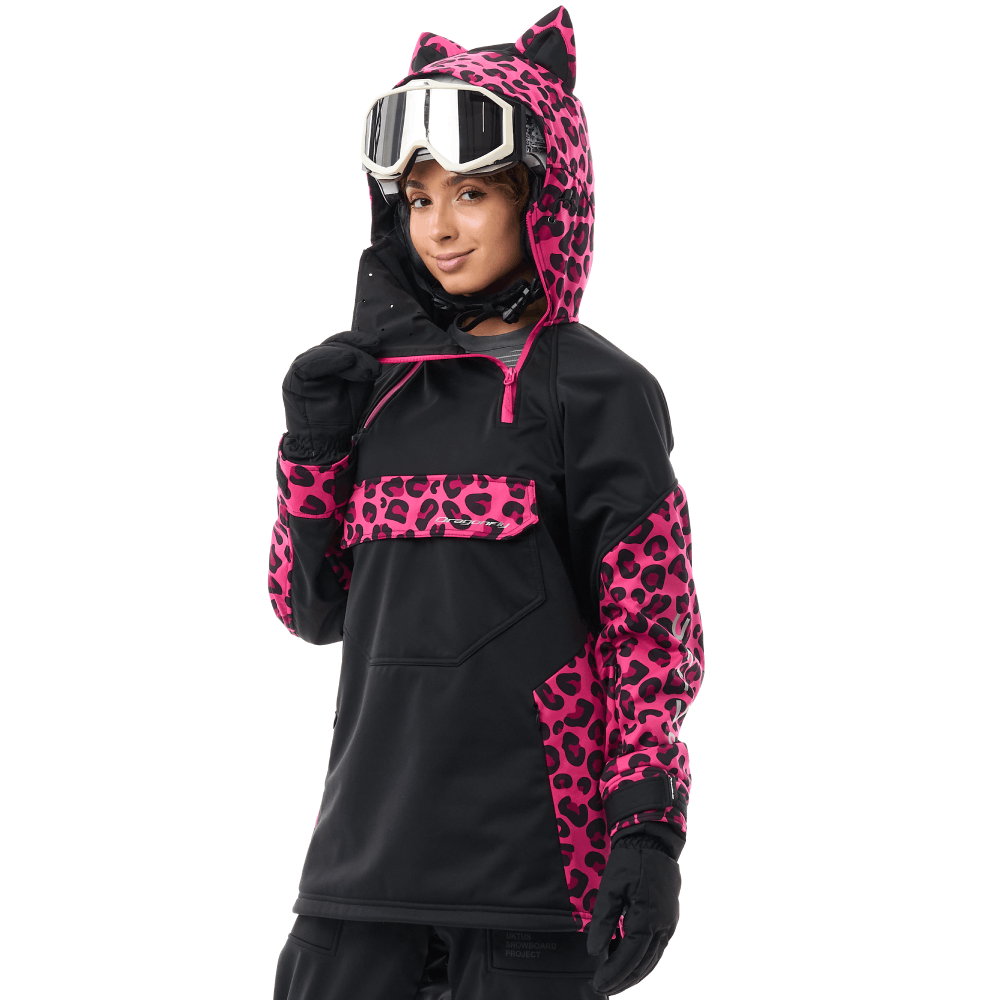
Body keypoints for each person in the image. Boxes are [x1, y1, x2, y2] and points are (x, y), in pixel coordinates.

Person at [267, 8, 704, 998]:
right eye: (419, 197)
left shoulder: (597, 391)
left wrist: (647, 829)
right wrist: (311, 454)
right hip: (358, 878)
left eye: (471, 193)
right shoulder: (371, 386)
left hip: (530, 890)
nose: (440, 227)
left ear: (542, 196)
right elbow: (311, 608)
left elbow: (651, 635)